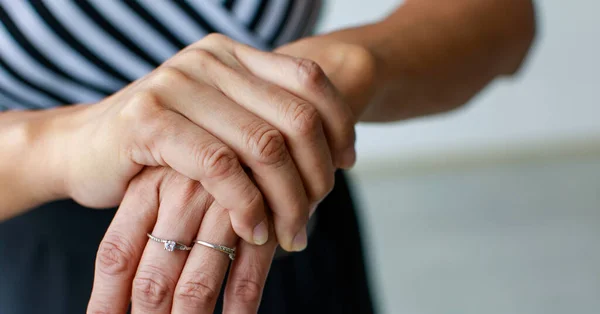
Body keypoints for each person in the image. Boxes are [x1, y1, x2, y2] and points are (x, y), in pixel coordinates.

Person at [0, 0, 535, 313]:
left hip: (296, 203)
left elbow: (503, 18)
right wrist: (68, 142)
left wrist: (327, 74)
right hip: (44, 241)